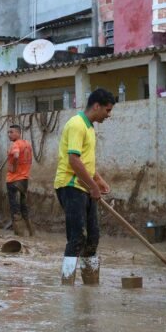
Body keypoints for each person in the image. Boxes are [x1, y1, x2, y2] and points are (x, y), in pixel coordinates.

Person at [54, 88, 114, 285]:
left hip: (85, 185)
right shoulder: (77, 124)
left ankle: (91, 285)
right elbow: (74, 160)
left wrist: (98, 180)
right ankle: (67, 285)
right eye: (107, 110)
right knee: (77, 236)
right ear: (96, 106)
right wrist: (93, 186)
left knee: (93, 237)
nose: (108, 115)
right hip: (71, 185)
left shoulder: (90, 128)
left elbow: (86, 162)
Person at [6, 124, 34, 236]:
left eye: (11, 132)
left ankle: (19, 234)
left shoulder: (15, 144)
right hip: (24, 179)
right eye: (8, 132)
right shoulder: (27, 144)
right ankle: (31, 232)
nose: (9, 134)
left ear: (18, 133)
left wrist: (13, 166)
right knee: (24, 206)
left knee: (15, 207)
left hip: (13, 180)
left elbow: (16, 155)